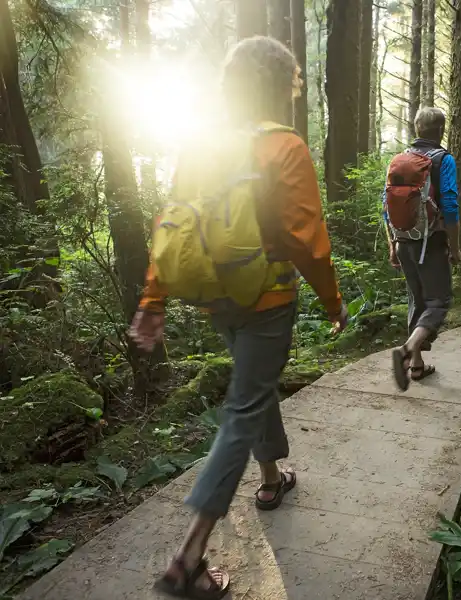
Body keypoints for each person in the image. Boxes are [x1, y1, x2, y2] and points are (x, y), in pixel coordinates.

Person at [129, 36, 347, 599]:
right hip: (268, 298)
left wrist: (153, 300)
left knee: (255, 387)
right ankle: (189, 556)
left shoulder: (201, 144)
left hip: (214, 297)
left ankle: (271, 481)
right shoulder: (284, 146)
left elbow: (171, 224)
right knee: (243, 407)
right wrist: (332, 300)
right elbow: (307, 238)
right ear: (283, 85)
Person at [384, 107, 461, 391]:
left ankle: (417, 367)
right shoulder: (444, 160)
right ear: (441, 129)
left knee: (416, 299)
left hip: (404, 241)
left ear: (417, 129)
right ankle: (407, 351)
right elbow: (450, 203)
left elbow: (386, 204)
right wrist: (454, 247)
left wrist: (393, 245)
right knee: (438, 301)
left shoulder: (400, 160)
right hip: (432, 242)